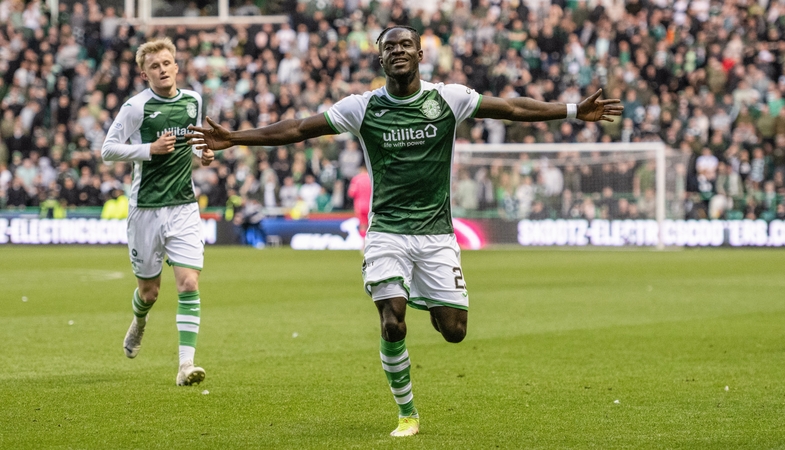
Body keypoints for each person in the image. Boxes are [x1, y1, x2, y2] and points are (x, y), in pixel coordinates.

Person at [188, 26, 622, 436]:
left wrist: (572, 111)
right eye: (389, 46)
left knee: (454, 331)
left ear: (420, 54)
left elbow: (511, 109)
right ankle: (407, 412)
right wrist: (237, 138)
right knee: (392, 322)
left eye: (404, 45)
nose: (397, 51)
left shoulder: (448, 99)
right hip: (387, 233)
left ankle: (419, 293)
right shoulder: (364, 106)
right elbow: (300, 128)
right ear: (379, 58)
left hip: (436, 236)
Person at [101, 38, 215, 387]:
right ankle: (139, 321)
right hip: (145, 209)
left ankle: (185, 365)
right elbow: (108, 150)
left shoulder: (193, 100)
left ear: (176, 66)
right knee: (149, 292)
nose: (162, 70)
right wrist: (148, 149)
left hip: (183, 206)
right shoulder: (136, 107)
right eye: (155, 66)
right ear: (144, 72)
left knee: (189, 282)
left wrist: (205, 155)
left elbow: (197, 142)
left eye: (167, 63)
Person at [347, 164, 372, 237]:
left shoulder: (356, 179)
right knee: (371, 225)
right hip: (370, 205)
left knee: (363, 225)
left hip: (360, 206)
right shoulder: (371, 178)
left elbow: (351, 193)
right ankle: (370, 243)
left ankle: (363, 244)